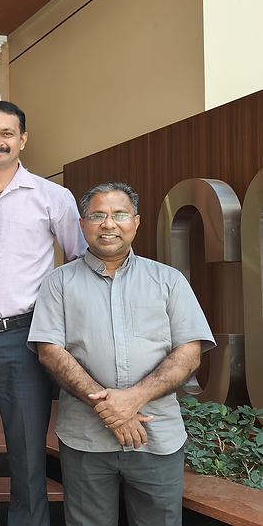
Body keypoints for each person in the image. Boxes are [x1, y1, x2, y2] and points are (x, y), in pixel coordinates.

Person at [28, 181, 214, 526]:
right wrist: (110, 408)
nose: (108, 224)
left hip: (156, 438)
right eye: (97, 215)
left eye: (119, 215)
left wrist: (132, 400)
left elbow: (189, 353)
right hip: (85, 438)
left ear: (136, 222)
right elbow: (50, 352)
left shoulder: (168, 280)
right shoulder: (58, 282)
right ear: (83, 225)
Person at [0, 100, 87, 526]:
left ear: (22, 139)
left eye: (6, 133)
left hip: (27, 339)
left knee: (28, 458)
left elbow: (83, 263)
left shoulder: (53, 197)